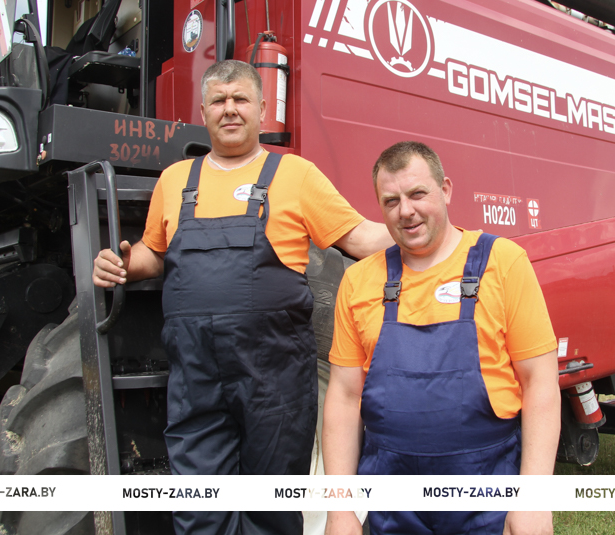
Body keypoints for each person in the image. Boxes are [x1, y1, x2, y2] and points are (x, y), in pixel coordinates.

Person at [92, 60, 392, 535]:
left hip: (274, 379)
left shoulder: (296, 174)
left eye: (240, 99)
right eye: (218, 100)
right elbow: (154, 251)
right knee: (199, 510)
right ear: (203, 111)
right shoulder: (175, 180)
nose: (229, 109)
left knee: (270, 510)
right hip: (196, 380)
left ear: (262, 109)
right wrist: (124, 265)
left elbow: (359, 237)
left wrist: (430, 231)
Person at [322, 141, 561, 535]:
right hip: (391, 502)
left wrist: (533, 502)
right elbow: (345, 398)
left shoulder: (503, 263)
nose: (406, 211)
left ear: (445, 190)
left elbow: (541, 383)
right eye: (391, 201)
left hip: (487, 493)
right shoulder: (359, 281)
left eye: (418, 194)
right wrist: (340, 510)